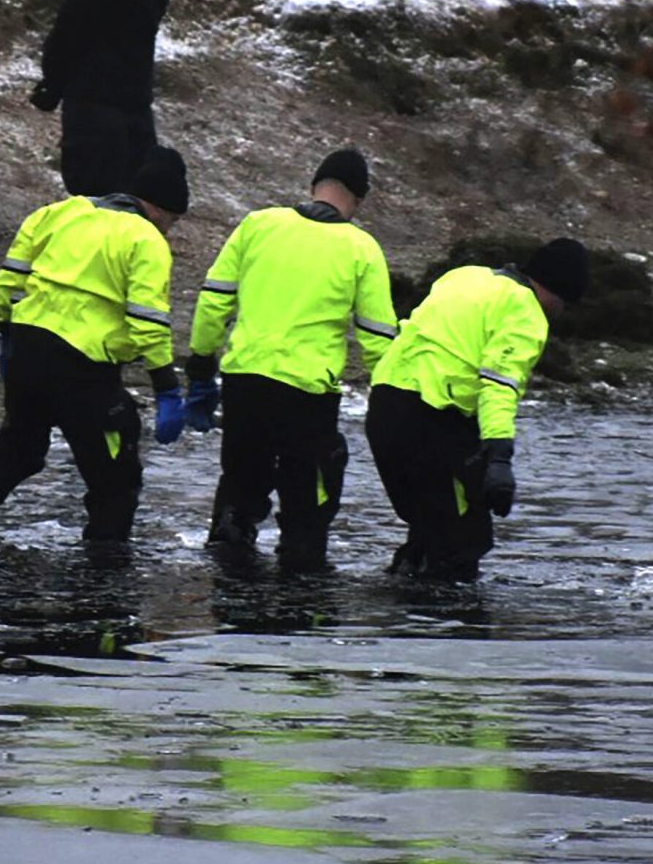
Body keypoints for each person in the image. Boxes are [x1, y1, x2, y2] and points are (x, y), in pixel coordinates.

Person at [0, 147, 193, 550]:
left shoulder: (60, 212)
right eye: (174, 222)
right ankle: (104, 573)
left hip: (27, 349)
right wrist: (165, 385)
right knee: (114, 473)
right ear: (164, 211)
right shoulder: (146, 239)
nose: (171, 231)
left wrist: (8, 337)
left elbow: (8, 281)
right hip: (83, 368)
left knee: (19, 448)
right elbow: (148, 322)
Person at [186, 147, 398, 573]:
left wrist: (201, 366)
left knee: (240, 488)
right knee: (308, 504)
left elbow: (214, 300)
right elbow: (377, 336)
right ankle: (300, 602)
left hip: (245, 378)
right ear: (357, 200)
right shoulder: (361, 247)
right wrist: (392, 391)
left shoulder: (258, 224)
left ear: (314, 186)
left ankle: (229, 598)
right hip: (307, 392)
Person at [364, 237, 590, 582]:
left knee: (430, 526)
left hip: (384, 407)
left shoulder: (465, 276)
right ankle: (449, 627)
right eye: (564, 303)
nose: (560, 312)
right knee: (463, 542)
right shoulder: (525, 311)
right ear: (558, 293)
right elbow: (499, 386)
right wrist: (500, 459)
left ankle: (402, 610)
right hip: (430, 416)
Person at [30, 0, 172, 197]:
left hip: (135, 104)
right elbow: (66, 33)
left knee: (138, 194)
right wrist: (52, 86)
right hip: (94, 105)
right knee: (98, 194)